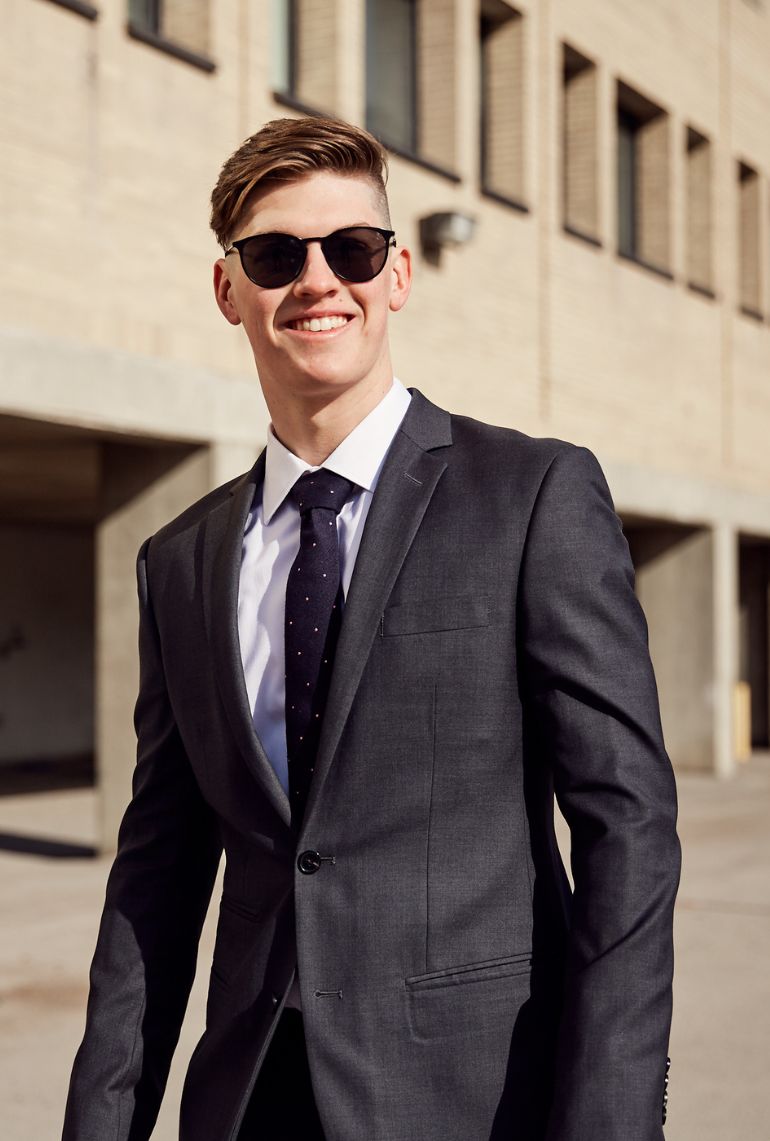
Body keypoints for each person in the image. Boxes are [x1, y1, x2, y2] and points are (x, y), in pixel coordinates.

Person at [63, 116, 680, 1141]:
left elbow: (629, 831)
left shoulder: (531, 496)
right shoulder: (178, 559)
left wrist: (608, 1119)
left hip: (480, 1100)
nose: (316, 281)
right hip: (253, 1100)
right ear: (229, 290)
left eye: (350, 248)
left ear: (395, 275)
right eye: (273, 255)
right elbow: (159, 875)